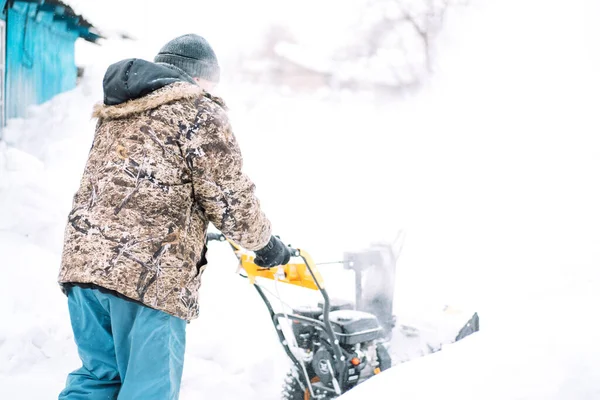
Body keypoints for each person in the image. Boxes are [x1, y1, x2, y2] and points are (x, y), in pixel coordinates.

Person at [57, 33, 290, 400]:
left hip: (84, 267)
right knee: (147, 390)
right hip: (146, 276)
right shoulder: (197, 111)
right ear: (198, 77)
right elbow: (228, 196)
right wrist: (265, 244)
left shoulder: (119, 110)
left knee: (98, 379)